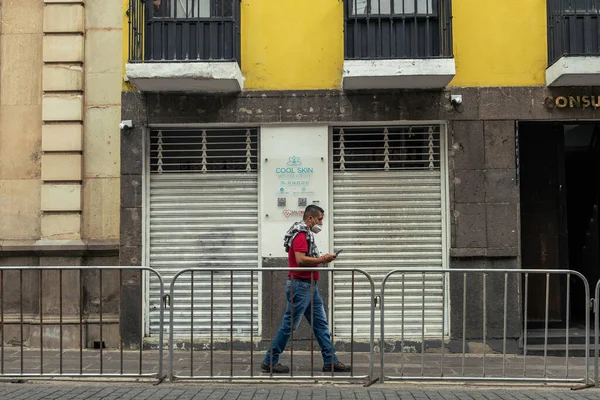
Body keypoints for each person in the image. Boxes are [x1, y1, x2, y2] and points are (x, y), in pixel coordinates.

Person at [261, 205, 352, 374]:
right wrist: (323, 259)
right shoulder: (301, 234)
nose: (321, 223)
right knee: (289, 325)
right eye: (319, 219)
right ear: (310, 218)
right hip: (300, 286)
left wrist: (321, 259)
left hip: (309, 287)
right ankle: (269, 361)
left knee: (321, 325)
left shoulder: (306, 234)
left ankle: (330, 361)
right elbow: (301, 260)